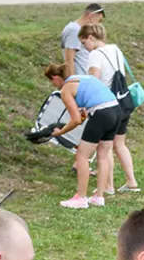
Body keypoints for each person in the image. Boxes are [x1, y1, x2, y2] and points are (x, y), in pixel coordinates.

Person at [42, 63, 119, 209]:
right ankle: (99, 197)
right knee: (103, 156)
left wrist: (60, 132)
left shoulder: (66, 89)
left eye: (51, 81)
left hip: (101, 113)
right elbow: (92, 97)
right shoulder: (81, 78)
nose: (53, 85)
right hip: (115, 110)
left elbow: (76, 119)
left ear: (55, 77)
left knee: (81, 156)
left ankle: (81, 198)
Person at [82, 23, 141, 195]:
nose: (84, 48)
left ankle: (108, 185)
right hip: (124, 102)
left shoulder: (95, 55)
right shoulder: (115, 49)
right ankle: (131, 181)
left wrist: (86, 104)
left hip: (107, 105)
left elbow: (94, 81)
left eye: (84, 42)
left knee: (105, 145)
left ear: (91, 38)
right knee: (120, 144)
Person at [61, 2, 104, 78]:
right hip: (80, 80)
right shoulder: (74, 30)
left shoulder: (78, 30)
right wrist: (73, 82)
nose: (98, 25)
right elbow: (69, 60)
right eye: (99, 21)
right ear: (91, 16)